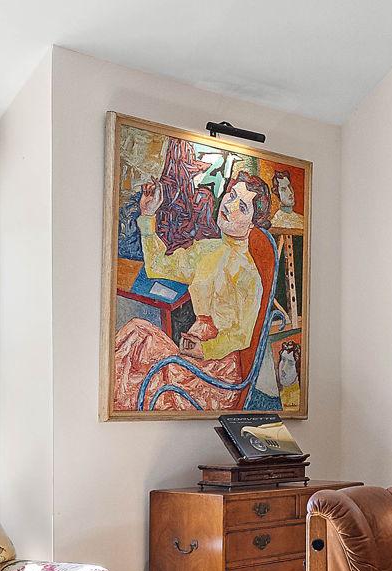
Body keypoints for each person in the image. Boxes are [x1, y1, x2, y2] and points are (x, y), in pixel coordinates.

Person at [111, 172, 273, 410]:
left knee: (139, 378)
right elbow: (158, 267)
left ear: (252, 224)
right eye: (231, 195)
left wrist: (203, 349)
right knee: (136, 332)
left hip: (215, 373)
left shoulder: (248, 275)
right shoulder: (207, 251)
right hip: (188, 355)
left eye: (242, 207)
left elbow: (241, 336)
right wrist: (148, 215)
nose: (229, 206)